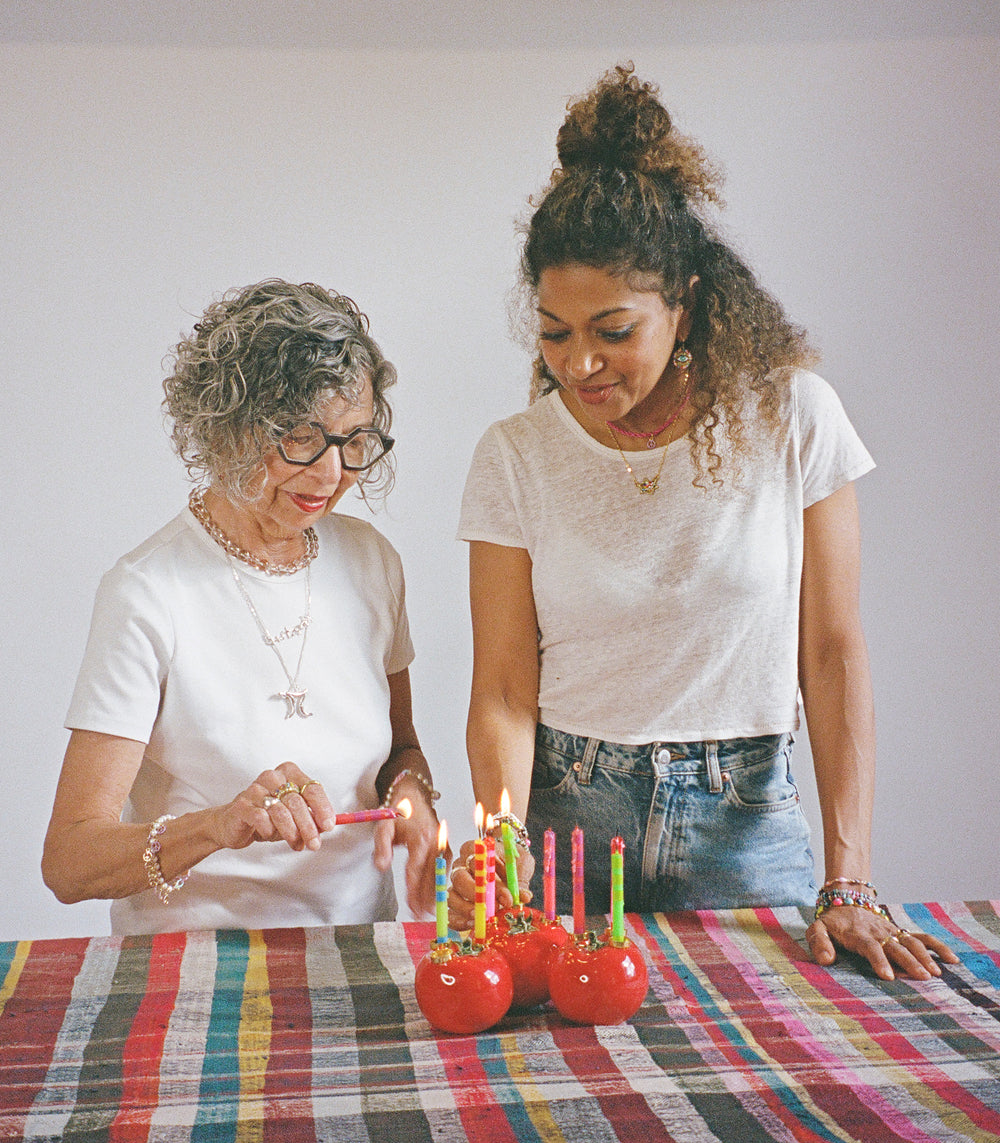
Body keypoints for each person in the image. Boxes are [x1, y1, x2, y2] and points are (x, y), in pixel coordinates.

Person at [447, 66, 956, 982]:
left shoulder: (792, 415)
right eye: (555, 332)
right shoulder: (515, 454)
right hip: (566, 825)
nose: (580, 363)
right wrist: (502, 846)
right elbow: (505, 688)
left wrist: (851, 882)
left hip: (747, 826)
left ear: (681, 302)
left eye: (613, 329)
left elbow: (833, 655)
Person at [43, 278, 444, 934]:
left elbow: (401, 749)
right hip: (194, 972)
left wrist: (412, 799)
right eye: (300, 439)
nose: (330, 474)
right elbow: (69, 860)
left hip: (359, 953)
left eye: (354, 441)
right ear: (228, 428)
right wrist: (217, 826)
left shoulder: (373, 562)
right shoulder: (147, 593)